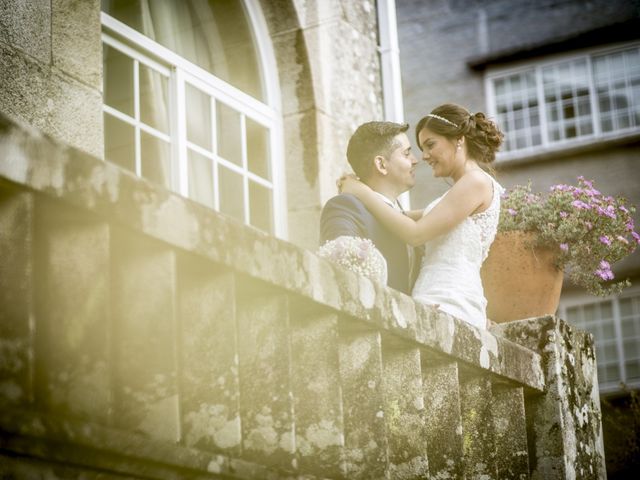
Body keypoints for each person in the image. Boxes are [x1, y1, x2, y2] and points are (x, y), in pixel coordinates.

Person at [339, 104, 504, 329]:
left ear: (458, 139)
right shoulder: (461, 191)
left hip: (449, 301)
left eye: (430, 145)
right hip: (435, 300)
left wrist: (361, 192)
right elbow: (402, 216)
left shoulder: (475, 182)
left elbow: (415, 234)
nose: (424, 156)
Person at [320, 121, 419, 295]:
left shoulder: (407, 219)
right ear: (381, 165)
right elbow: (341, 273)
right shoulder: (345, 207)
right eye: (406, 153)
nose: (415, 160)